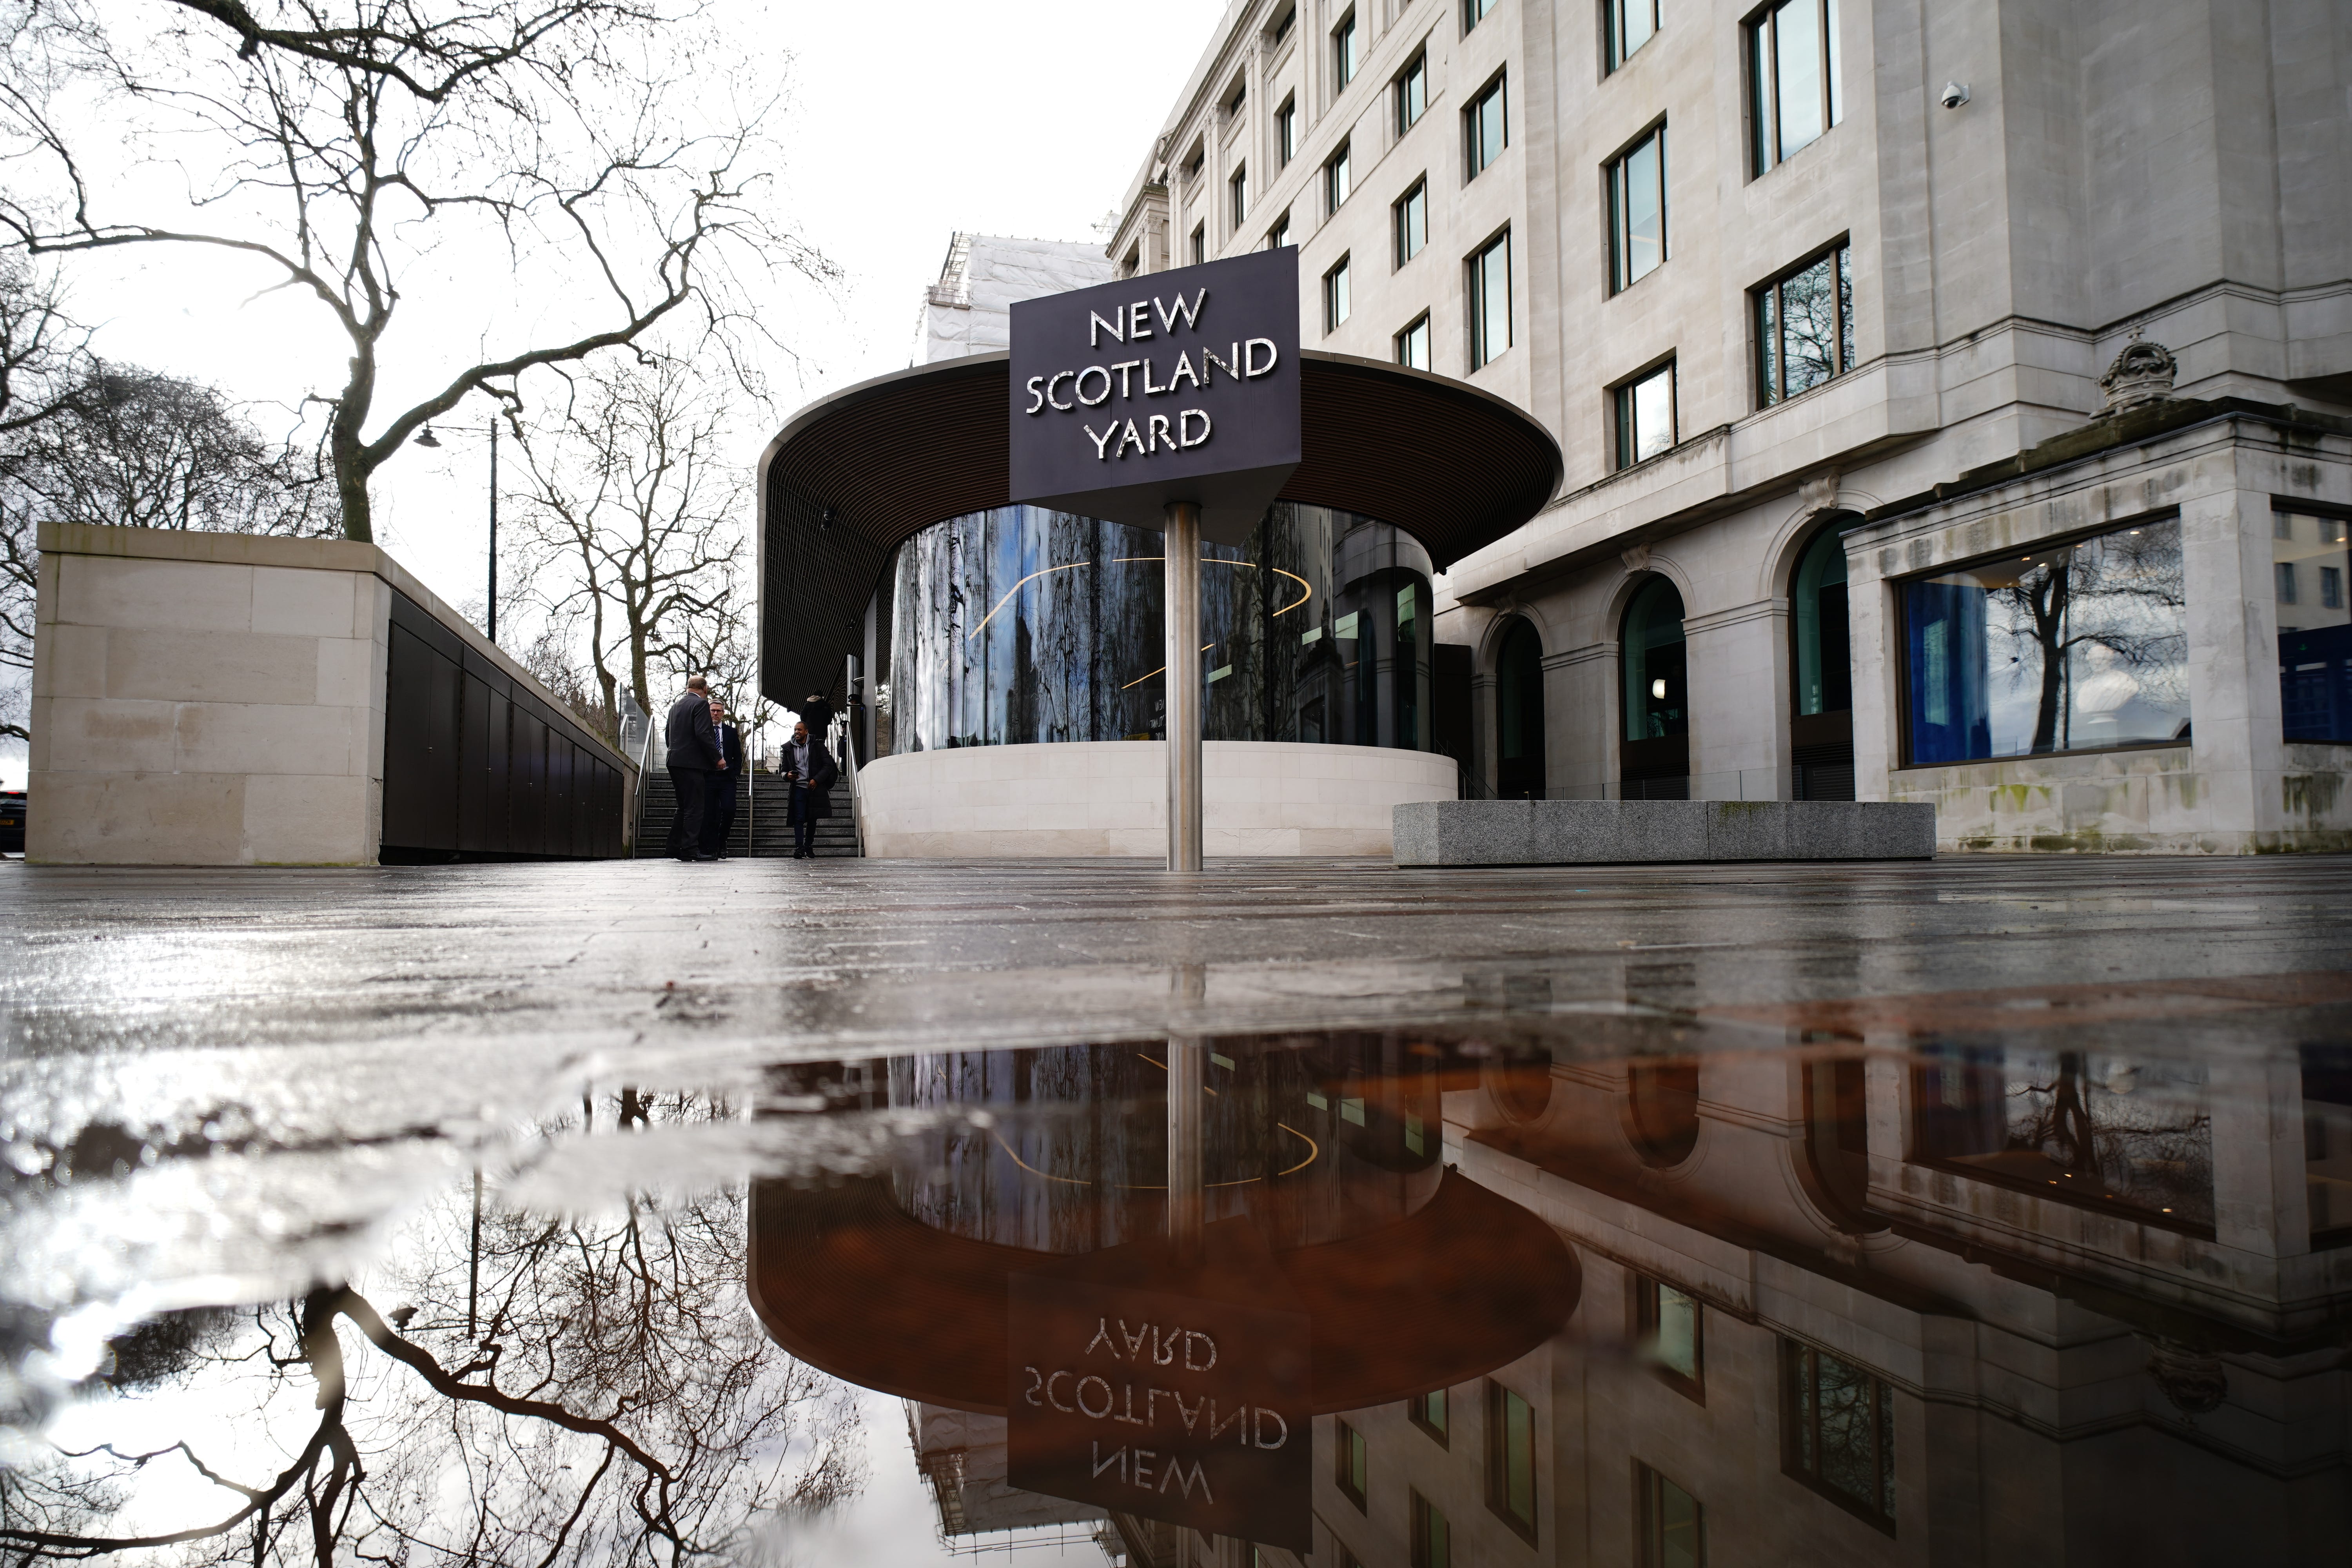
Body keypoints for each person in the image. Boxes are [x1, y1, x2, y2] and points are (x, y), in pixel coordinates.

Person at [662, 675, 725, 862]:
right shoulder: (700, 705)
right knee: (695, 807)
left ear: (688, 687)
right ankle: (690, 849)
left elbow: (668, 734)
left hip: (674, 760)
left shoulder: (676, 707)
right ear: (705, 689)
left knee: (683, 807)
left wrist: (676, 753)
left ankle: (674, 848)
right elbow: (703, 734)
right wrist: (717, 758)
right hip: (691, 764)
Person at [781, 718, 839, 859]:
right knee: (799, 818)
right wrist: (787, 775)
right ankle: (799, 848)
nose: (797, 732)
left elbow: (828, 766)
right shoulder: (788, 748)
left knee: (813, 818)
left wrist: (816, 780)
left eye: (799, 730)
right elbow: (783, 770)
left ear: (806, 732)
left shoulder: (817, 746)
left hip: (815, 787)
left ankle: (808, 846)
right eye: (795, 730)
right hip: (798, 788)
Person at [700, 698, 745, 858]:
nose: (715, 713)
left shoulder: (731, 732)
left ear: (723, 713)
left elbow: (737, 756)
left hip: (727, 778)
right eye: (713, 710)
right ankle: (712, 847)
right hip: (709, 777)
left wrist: (735, 774)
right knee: (710, 814)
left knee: (729, 810)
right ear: (708, 712)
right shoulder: (703, 731)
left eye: (719, 711)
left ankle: (722, 841)